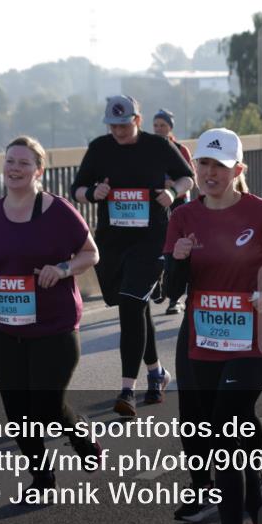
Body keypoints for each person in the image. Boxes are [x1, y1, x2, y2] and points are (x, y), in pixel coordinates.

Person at [163, 128, 262, 524]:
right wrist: (178, 259)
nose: (210, 173)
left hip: (251, 343)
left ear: (238, 170)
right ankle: (261, 517)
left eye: (220, 166)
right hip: (200, 341)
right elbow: (172, 292)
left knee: (226, 433)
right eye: (204, 164)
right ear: (195, 166)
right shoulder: (183, 218)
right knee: (217, 429)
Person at [0, 136, 102, 493]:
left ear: (39, 171)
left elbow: (91, 254)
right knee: (17, 412)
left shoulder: (58, 211)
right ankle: (41, 477)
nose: (15, 168)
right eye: (10, 161)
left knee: (46, 406)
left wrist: (62, 268)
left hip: (54, 327)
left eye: (24, 163)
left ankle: (80, 435)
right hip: (5, 327)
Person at [69, 95, 194, 417]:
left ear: (137, 121)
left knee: (130, 303)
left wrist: (172, 192)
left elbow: (187, 177)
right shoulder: (100, 148)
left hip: (151, 238)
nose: (118, 131)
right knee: (131, 305)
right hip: (112, 242)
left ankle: (127, 388)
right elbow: (77, 189)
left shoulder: (157, 146)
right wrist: (92, 193)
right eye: (113, 125)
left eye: (124, 125)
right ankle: (157, 372)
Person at [152, 108, 194, 315]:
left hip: (178, 207)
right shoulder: (148, 150)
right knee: (159, 251)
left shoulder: (180, 149)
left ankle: (174, 299)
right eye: (156, 125)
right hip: (156, 208)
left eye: (163, 125)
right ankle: (159, 287)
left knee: (173, 253)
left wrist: (172, 185)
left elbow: (190, 178)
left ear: (171, 127)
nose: (159, 129)